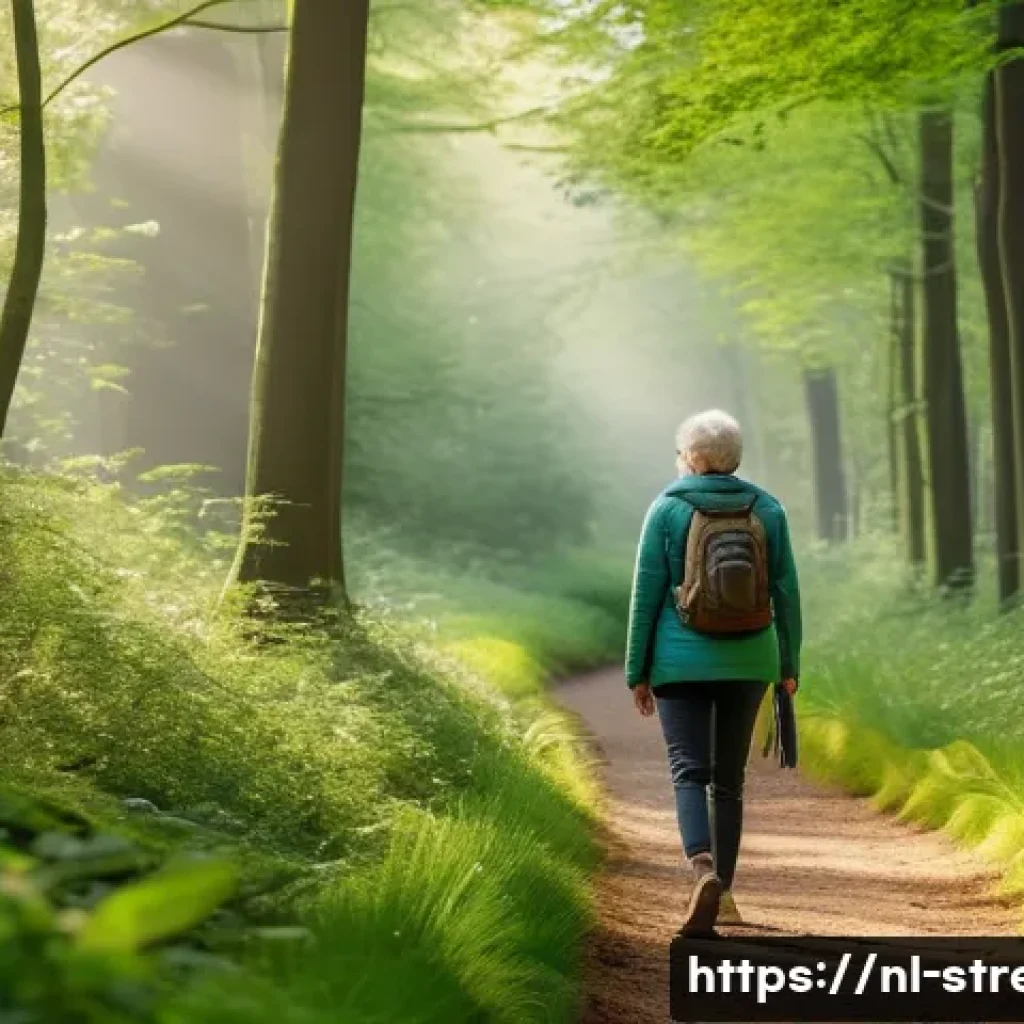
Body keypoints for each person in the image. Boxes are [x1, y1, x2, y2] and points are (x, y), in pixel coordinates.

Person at [624, 409, 802, 936]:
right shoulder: (767, 508)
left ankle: (700, 867)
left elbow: (647, 593)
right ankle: (723, 896)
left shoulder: (667, 508)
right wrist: (788, 665)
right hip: (751, 658)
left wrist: (637, 669)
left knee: (688, 771)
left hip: (679, 662)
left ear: (693, 458)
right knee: (729, 780)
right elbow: (786, 591)